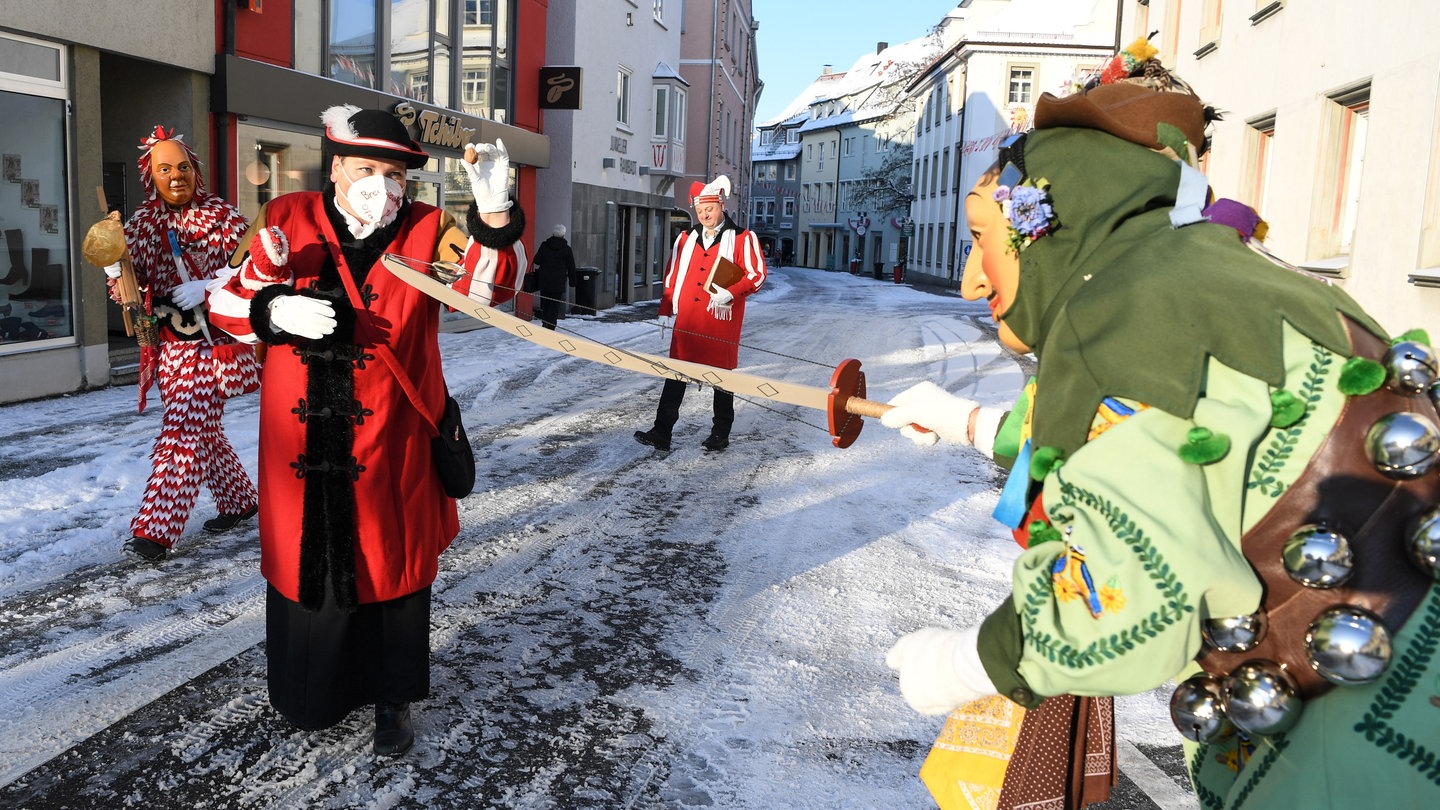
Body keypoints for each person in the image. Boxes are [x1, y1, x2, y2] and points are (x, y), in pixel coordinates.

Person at [880, 41, 1440, 807]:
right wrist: (969, 420)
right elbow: (1178, 443)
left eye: (981, 237)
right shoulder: (1224, 272)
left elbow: (1131, 594)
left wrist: (965, 663)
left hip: (1354, 733)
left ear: (1046, 223)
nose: (973, 277)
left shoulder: (1118, 308)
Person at [206, 104, 526, 756]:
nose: (381, 183)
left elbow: (486, 291)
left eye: (395, 172)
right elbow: (220, 304)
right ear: (336, 166)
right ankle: (309, 696)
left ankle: (393, 704)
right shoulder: (282, 219)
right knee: (309, 580)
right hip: (299, 454)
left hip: (392, 447)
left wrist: (495, 212)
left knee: (394, 580)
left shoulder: (429, 229)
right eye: (366, 168)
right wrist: (272, 308)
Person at [102, 126, 260, 563]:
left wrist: (209, 288)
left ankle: (156, 529)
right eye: (164, 168)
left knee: (185, 430)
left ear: (196, 171)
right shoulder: (143, 224)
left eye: (183, 167)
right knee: (200, 427)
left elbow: (255, 270)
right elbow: (129, 289)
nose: (176, 176)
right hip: (171, 347)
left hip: (216, 344)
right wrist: (116, 272)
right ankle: (240, 501)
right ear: (150, 176)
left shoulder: (224, 218)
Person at [634, 175, 767, 453]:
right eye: (700, 210)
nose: (705, 215)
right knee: (676, 375)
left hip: (720, 321)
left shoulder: (743, 238)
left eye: (710, 209)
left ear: (721, 206)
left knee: (721, 381)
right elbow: (672, 276)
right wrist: (665, 309)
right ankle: (662, 432)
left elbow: (757, 275)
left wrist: (731, 291)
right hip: (688, 320)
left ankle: (720, 433)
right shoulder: (685, 238)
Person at [531, 223, 577, 329]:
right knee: (555, 304)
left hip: (544, 280)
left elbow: (537, 260)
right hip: (558, 281)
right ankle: (551, 324)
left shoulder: (544, 245)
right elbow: (571, 267)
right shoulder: (566, 249)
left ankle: (545, 322)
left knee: (546, 302)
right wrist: (573, 282)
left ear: (553, 233)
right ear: (563, 235)